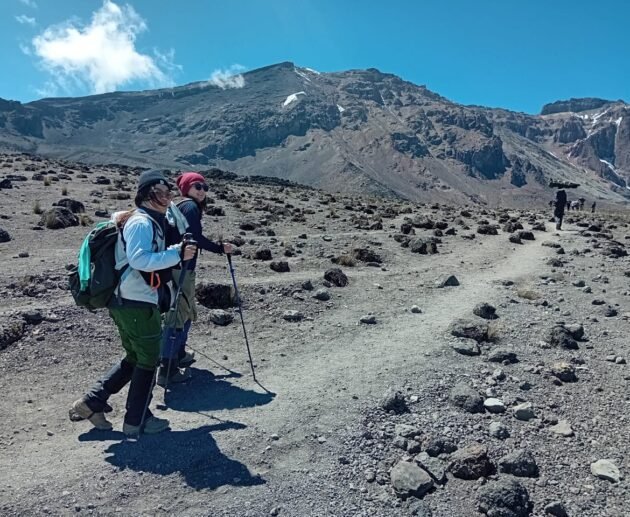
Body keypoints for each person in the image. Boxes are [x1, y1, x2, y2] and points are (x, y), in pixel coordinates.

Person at [70, 170, 197, 436]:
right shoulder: (141, 223)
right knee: (149, 359)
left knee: (135, 356)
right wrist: (177, 253)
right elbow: (140, 260)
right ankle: (137, 420)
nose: (167, 197)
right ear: (147, 196)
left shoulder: (147, 220)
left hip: (126, 301)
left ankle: (92, 402)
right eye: (161, 193)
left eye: (169, 192)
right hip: (136, 301)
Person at [157, 171, 233, 386]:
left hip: (176, 267)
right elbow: (195, 238)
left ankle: (178, 354)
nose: (202, 191)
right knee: (178, 315)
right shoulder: (189, 207)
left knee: (185, 311)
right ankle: (167, 370)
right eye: (197, 186)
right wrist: (220, 248)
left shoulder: (181, 207)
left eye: (205, 187)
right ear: (187, 188)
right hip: (181, 269)